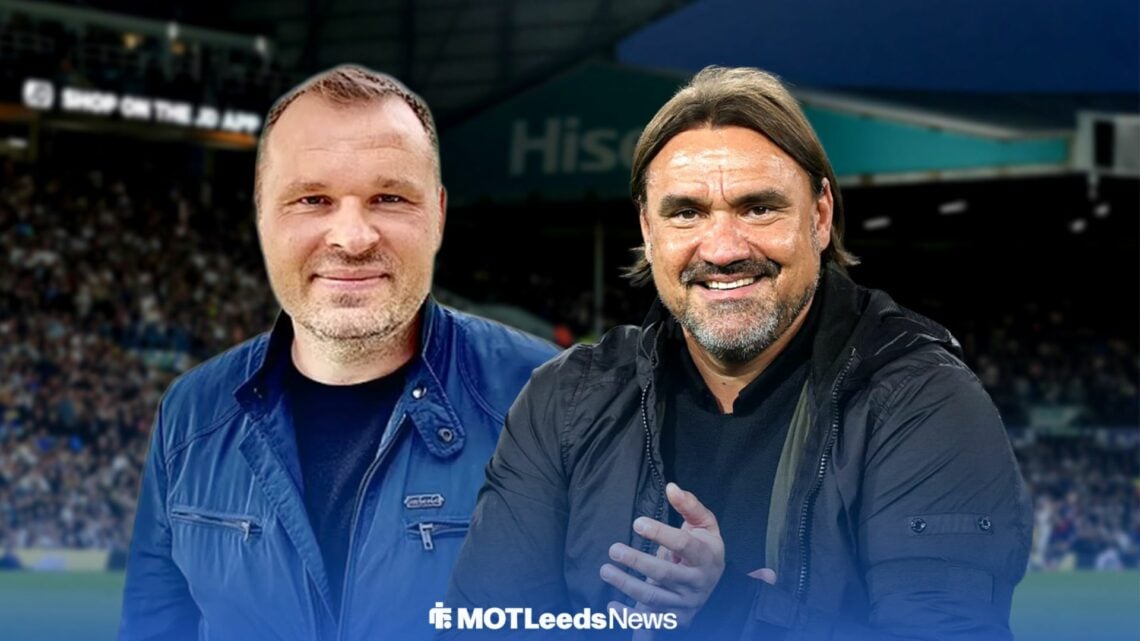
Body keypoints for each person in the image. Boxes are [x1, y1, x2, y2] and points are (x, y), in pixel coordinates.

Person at [446, 66, 1032, 640]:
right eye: (686, 213)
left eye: (758, 208)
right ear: (648, 231)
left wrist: (728, 608)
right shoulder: (566, 401)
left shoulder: (923, 400)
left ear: (820, 216)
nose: (723, 249)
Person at [119, 65, 558, 641]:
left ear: (438, 215)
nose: (353, 238)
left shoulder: (553, 399)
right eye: (313, 199)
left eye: (389, 197)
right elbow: (154, 625)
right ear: (261, 215)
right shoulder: (191, 412)